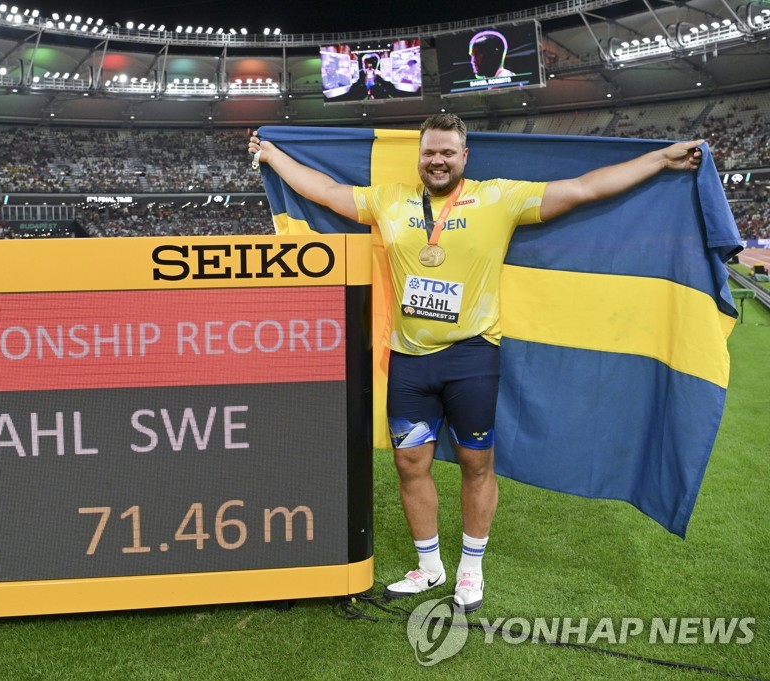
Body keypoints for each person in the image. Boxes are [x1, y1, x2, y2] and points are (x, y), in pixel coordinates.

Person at [248, 114, 702, 612]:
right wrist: (272, 156)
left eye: (447, 152)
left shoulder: (499, 199)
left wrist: (660, 158)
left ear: (465, 157)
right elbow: (327, 191)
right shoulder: (389, 199)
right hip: (410, 362)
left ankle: (469, 568)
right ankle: (429, 566)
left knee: (475, 462)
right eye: (429, 152)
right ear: (418, 157)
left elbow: (583, 189)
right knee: (409, 462)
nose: (437, 160)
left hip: (472, 359)